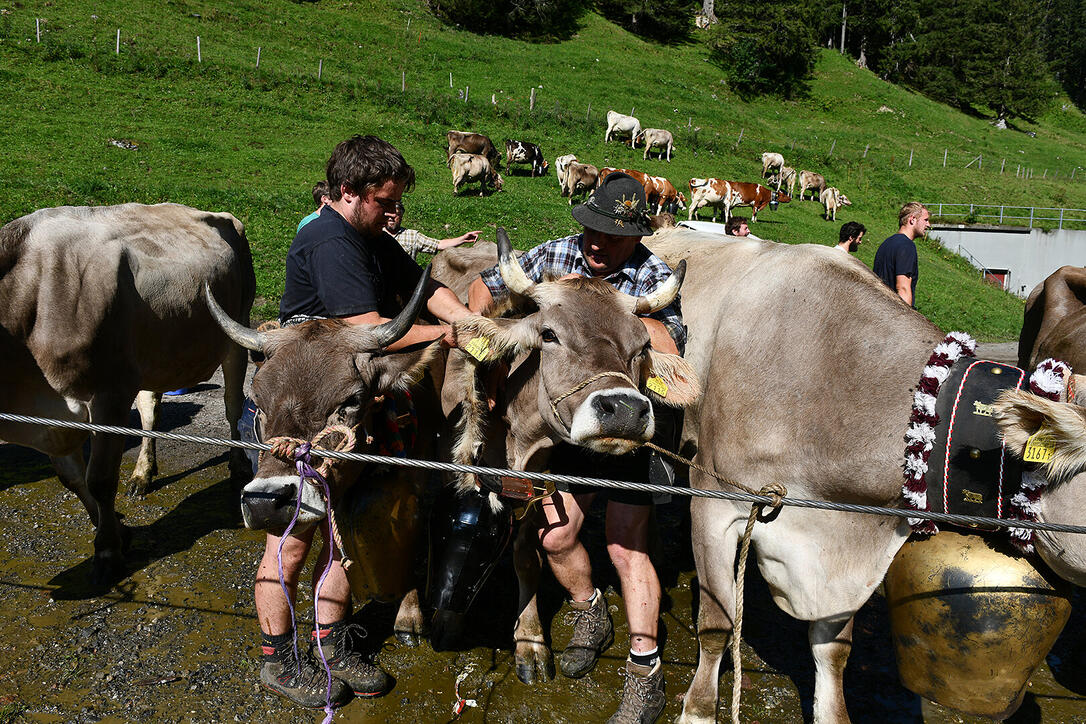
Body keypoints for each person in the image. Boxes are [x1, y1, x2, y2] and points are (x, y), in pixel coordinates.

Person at [260, 135, 472, 709]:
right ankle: (278, 658)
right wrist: (449, 334)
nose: (392, 213)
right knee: (297, 531)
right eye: (384, 202)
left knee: (342, 527)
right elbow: (371, 329)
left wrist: (466, 315)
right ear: (349, 193)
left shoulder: (369, 234)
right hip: (309, 409)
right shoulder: (329, 241)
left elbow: (425, 287)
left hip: (353, 401)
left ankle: (332, 645)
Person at [467, 172, 684, 724]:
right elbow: (484, 289)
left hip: (623, 418)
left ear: (638, 236)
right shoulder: (555, 254)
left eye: (614, 235)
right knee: (556, 534)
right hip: (566, 418)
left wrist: (622, 320)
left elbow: (666, 342)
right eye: (593, 228)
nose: (597, 242)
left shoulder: (652, 277)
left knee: (625, 546)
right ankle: (589, 609)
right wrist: (489, 350)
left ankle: (644, 672)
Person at [873, 202, 929, 307]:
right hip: (894, 316)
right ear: (912, 219)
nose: (928, 225)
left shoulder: (886, 243)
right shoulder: (906, 246)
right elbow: (903, 289)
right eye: (925, 220)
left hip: (878, 311)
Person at [385, 201, 481, 260]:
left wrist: (463, 238)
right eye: (389, 213)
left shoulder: (412, 236)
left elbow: (438, 244)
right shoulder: (375, 233)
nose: (391, 217)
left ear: (401, 216)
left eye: (396, 214)